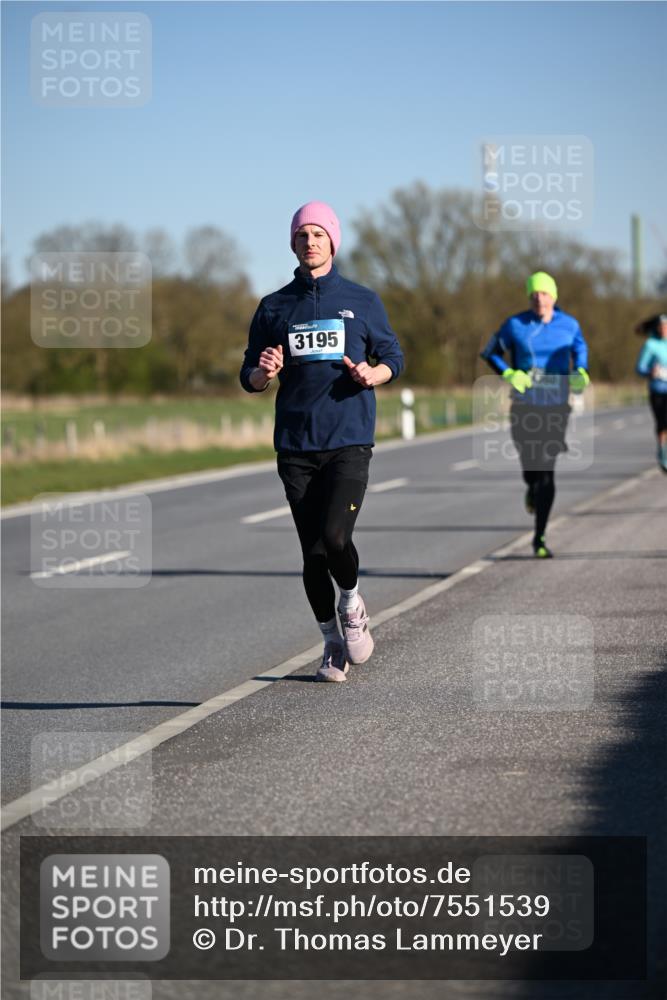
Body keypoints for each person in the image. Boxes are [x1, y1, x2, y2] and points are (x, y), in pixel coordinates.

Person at [240, 201, 404, 682]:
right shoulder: (274, 306)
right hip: (295, 443)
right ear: (293, 243)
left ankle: (352, 602)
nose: (309, 241)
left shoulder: (363, 300)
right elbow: (248, 374)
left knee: (336, 537)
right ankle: (331, 642)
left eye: (317, 233)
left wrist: (373, 373)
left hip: (349, 438)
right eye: (301, 235)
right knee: (312, 554)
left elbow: (394, 355)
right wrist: (262, 373)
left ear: (332, 240)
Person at [481, 271, 590, 558]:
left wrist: (580, 370)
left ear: (553, 296)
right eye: (534, 294)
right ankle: (530, 487)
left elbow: (580, 348)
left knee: (546, 470)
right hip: (524, 405)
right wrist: (508, 372)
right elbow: (490, 351)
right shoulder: (516, 324)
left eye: (544, 293)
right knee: (531, 468)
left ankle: (540, 536)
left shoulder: (569, 325)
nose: (539, 298)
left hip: (556, 407)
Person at [635, 312, 667, 472]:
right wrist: (650, 372)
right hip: (657, 389)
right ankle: (662, 450)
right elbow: (640, 367)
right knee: (662, 422)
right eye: (661, 327)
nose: (664, 330)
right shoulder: (650, 345)